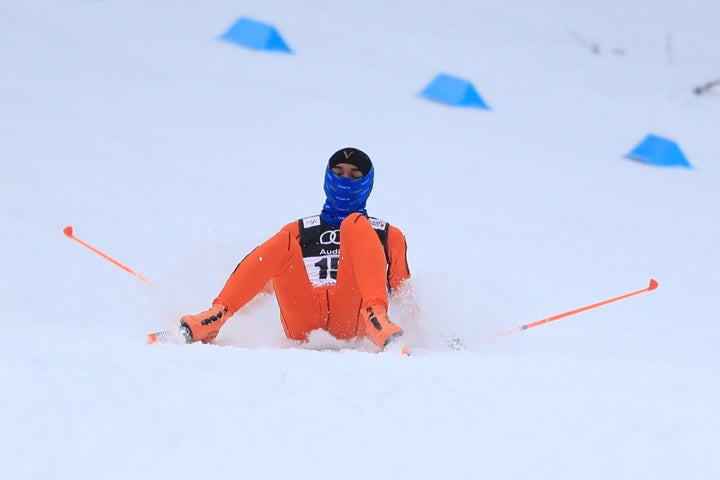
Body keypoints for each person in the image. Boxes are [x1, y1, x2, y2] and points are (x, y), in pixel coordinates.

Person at [180, 147, 412, 350]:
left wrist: (427, 333)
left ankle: (377, 318)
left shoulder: (387, 235)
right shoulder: (300, 230)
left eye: (354, 174)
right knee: (284, 240)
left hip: (354, 317)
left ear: (366, 182)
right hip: (304, 319)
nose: (345, 179)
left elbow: (404, 293)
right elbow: (265, 282)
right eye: (339, 172)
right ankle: (216, 315)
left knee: (354, 223)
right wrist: (243, 315)